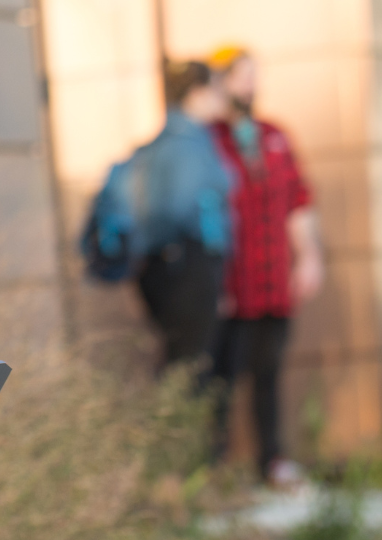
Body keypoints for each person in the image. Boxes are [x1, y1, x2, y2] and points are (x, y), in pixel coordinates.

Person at [207, 46, 322, 485]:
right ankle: (213, 468)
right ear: (221, 82)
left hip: (274, 282)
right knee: (222, 379)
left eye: (254, 75)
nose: (250, 85)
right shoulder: (210, 141)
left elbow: (298, 200)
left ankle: (271, 460)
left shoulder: (275, 135)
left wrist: (309, 256)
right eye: (241, 76)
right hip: (233, 288)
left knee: (268, 375)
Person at [130, 61, 237, 376]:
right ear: (196, 93)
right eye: (217, 90)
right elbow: (175, 209)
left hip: (175, 263)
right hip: (188, 263)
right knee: (189, 366)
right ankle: (177, 425)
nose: (222, 99)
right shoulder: (185, 145)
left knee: (182, 359)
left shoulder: (175, 140)